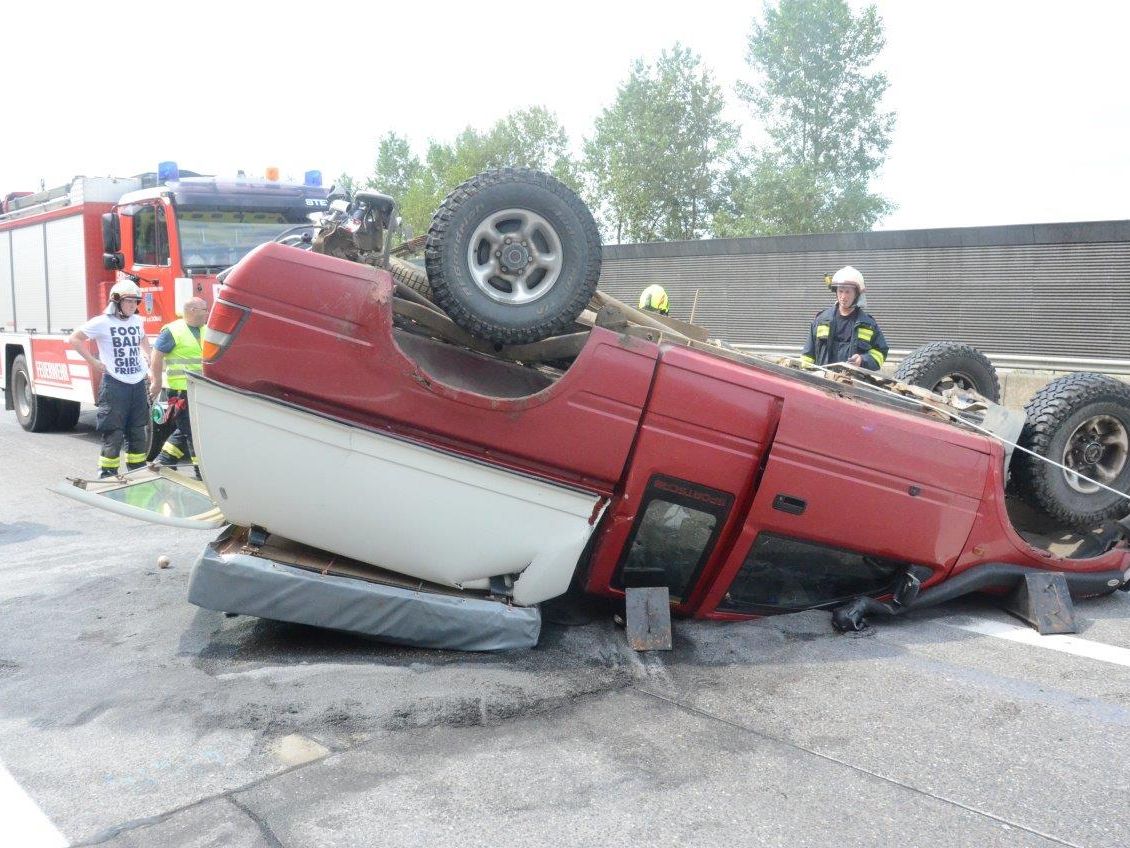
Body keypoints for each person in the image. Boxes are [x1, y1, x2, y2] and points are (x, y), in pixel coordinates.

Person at [68, 280, 153, 477]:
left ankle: (137, 472)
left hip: (137, 383)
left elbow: (142, 338)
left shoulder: (137, 321)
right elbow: (75, 338)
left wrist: (147, 356)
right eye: (129, 301)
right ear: (116, 301)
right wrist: (93, 361)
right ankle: (107, 473)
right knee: (113, 431)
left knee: (138, 430)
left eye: (136, 301)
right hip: (115, 384)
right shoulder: (102, 322)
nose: (133, 305)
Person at [148, 298, 207, 477]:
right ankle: (200, 472)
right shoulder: (173, 330)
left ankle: (164, 460)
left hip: (200, 389)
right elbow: (156, 356)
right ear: (191, 310)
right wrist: (156, 382)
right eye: (204, 309)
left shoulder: (205, 330)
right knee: (193, 432)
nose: (207, 312)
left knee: (188, 427)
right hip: (181, 391)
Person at [801, 266, 888, 371]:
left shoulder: (868, 324)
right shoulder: (821, 320)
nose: (843, 296)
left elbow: (880, 353)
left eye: (847, 292)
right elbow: (808, 356)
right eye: (840, 291)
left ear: (856, 294)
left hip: (853, 382)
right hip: (822, 380)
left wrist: (862, 360)